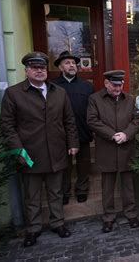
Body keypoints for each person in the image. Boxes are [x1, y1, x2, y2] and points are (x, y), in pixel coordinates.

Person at [0, 52, 79, 247]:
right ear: (26, 70)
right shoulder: (14, 93)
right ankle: (33, 229)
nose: (39, 71)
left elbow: (69, 120)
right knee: (32, 195)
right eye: (34, 68)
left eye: (42, 68)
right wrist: (19, 151)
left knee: (56, 192)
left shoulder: (59, 92)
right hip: (30, 154)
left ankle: (58, 223)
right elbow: (7, 126)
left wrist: (73, 143)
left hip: (56, 152)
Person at [87, 70, 139, 233]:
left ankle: (131, 214)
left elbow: (137, 119)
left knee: (128, 185)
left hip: (126, 147)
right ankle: (108, 217)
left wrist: (126, 134)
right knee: (108, 186)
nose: (118, 89)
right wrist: (112, 135)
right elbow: (92, 120)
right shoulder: (95, 99)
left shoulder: (130, 99)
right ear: (106, 83)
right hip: (107, 148)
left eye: (120, 85)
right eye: (114, 85)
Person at [51, 51, 94, 205]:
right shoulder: (52, 86)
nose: (71, 65)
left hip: (82, 130)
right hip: (61, 133)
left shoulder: (87, 86)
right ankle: (64, 192)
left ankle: (82, 189)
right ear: (60, 67)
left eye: (73, 63)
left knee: (83, 164)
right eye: (67, 63)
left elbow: (92, 109)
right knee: (65, 165)